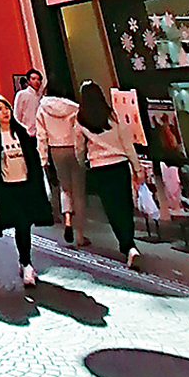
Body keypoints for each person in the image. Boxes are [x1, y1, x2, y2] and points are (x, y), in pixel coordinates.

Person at [0, 93, 53, 287]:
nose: (4, 112)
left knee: (24, 225)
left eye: (6, 108)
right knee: (20, 224)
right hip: (8, 188)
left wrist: (37, 181)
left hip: (26, 185)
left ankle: (25, 262)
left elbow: (33, 158)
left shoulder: (20, 132)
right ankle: (26, 262)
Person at [75, 81, 143, 268]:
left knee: (112, 208)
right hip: (120, 165)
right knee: (125, 205)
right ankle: (131, 244)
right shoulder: (113, 116)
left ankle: (126, 246)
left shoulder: (81, 119)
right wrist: (137, 168)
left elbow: (79, 149)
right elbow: (127, 144)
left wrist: (85, 164)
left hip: (100, 168)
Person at [35, 84, 86, 246]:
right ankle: (79, 234)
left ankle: (67, 220)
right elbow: (80, 130)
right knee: (78, 191)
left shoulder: (42, 109)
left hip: (56, 150)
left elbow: (41, 136)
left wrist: (43, 159)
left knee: (65, 188)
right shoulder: (74, 108)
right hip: (74, 148)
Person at [13, 68, 44, 135]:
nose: (36, 81)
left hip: (40, 133)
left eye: (38, 79)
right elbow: (16, 115)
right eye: (33, 79)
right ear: (28, 81)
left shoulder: (42, 97)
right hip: (27, 133)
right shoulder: (21, 94)